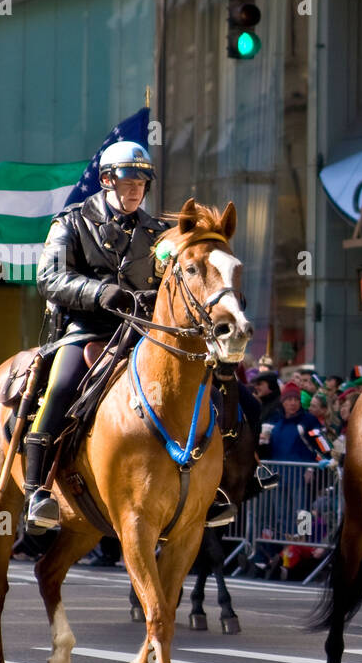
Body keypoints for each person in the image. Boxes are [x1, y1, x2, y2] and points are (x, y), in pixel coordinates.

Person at [28, 142, 238, 535]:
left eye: (142, 182)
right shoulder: (71, 223)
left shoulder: (158, 233)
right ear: (107, 180)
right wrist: (98, 292)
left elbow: (175, 281)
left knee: (219, 384)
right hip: (89, 329)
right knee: (61, 388)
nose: (135, 189)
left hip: (147, 331)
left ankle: (220, 485)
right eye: (128, 180)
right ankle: (37, 491)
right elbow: (49, 278)